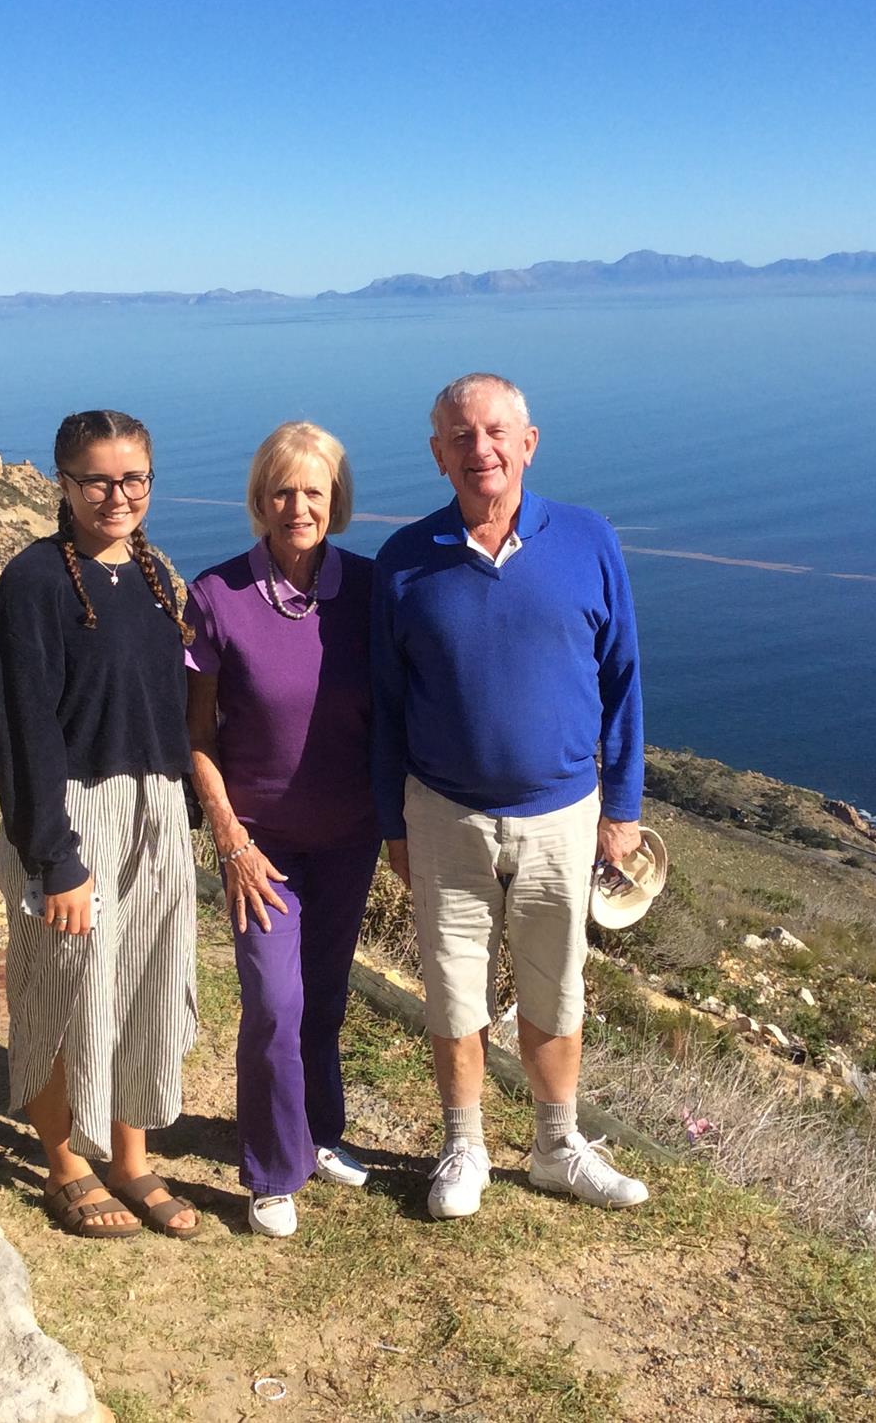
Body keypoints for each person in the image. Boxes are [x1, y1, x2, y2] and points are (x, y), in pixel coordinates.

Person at [371, 372, 649, 1219]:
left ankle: (558, 1147)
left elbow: (623, 679)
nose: (480, 449)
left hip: (563, 816)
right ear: (437, 454)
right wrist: (393, 826)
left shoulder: (589, 539)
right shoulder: (404, 561)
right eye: (460, 436)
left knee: (555, 987)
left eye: (496, 433)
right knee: (455, 992)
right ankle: (465, 1148)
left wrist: (623, 807)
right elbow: (386, 706)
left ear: (529, 444)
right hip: (442, 815)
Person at [0, 409, 201, 1239]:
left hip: (154, 811)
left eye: (133, 478)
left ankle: (130, 1160)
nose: (117, 496)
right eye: (98, 481)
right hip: (74, 818)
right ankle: (66, 1164)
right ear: (64, 484)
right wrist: (56, 859)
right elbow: (24, 729)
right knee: (61, 993)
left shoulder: (151, 574)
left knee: (145, 984)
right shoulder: (33, 583)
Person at [184, 422, 378, 1239]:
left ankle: (319, 1133)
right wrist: (229, 838)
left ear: (337, 500)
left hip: (349, 836)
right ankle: (271, 1168)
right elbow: (196, 734)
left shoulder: (369, 590)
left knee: (323, 997)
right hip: (259, 845)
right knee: (272, 1001)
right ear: (260, 499)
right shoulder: (217, 595)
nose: (298, 506)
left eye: (314, 492)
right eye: (282, 491)